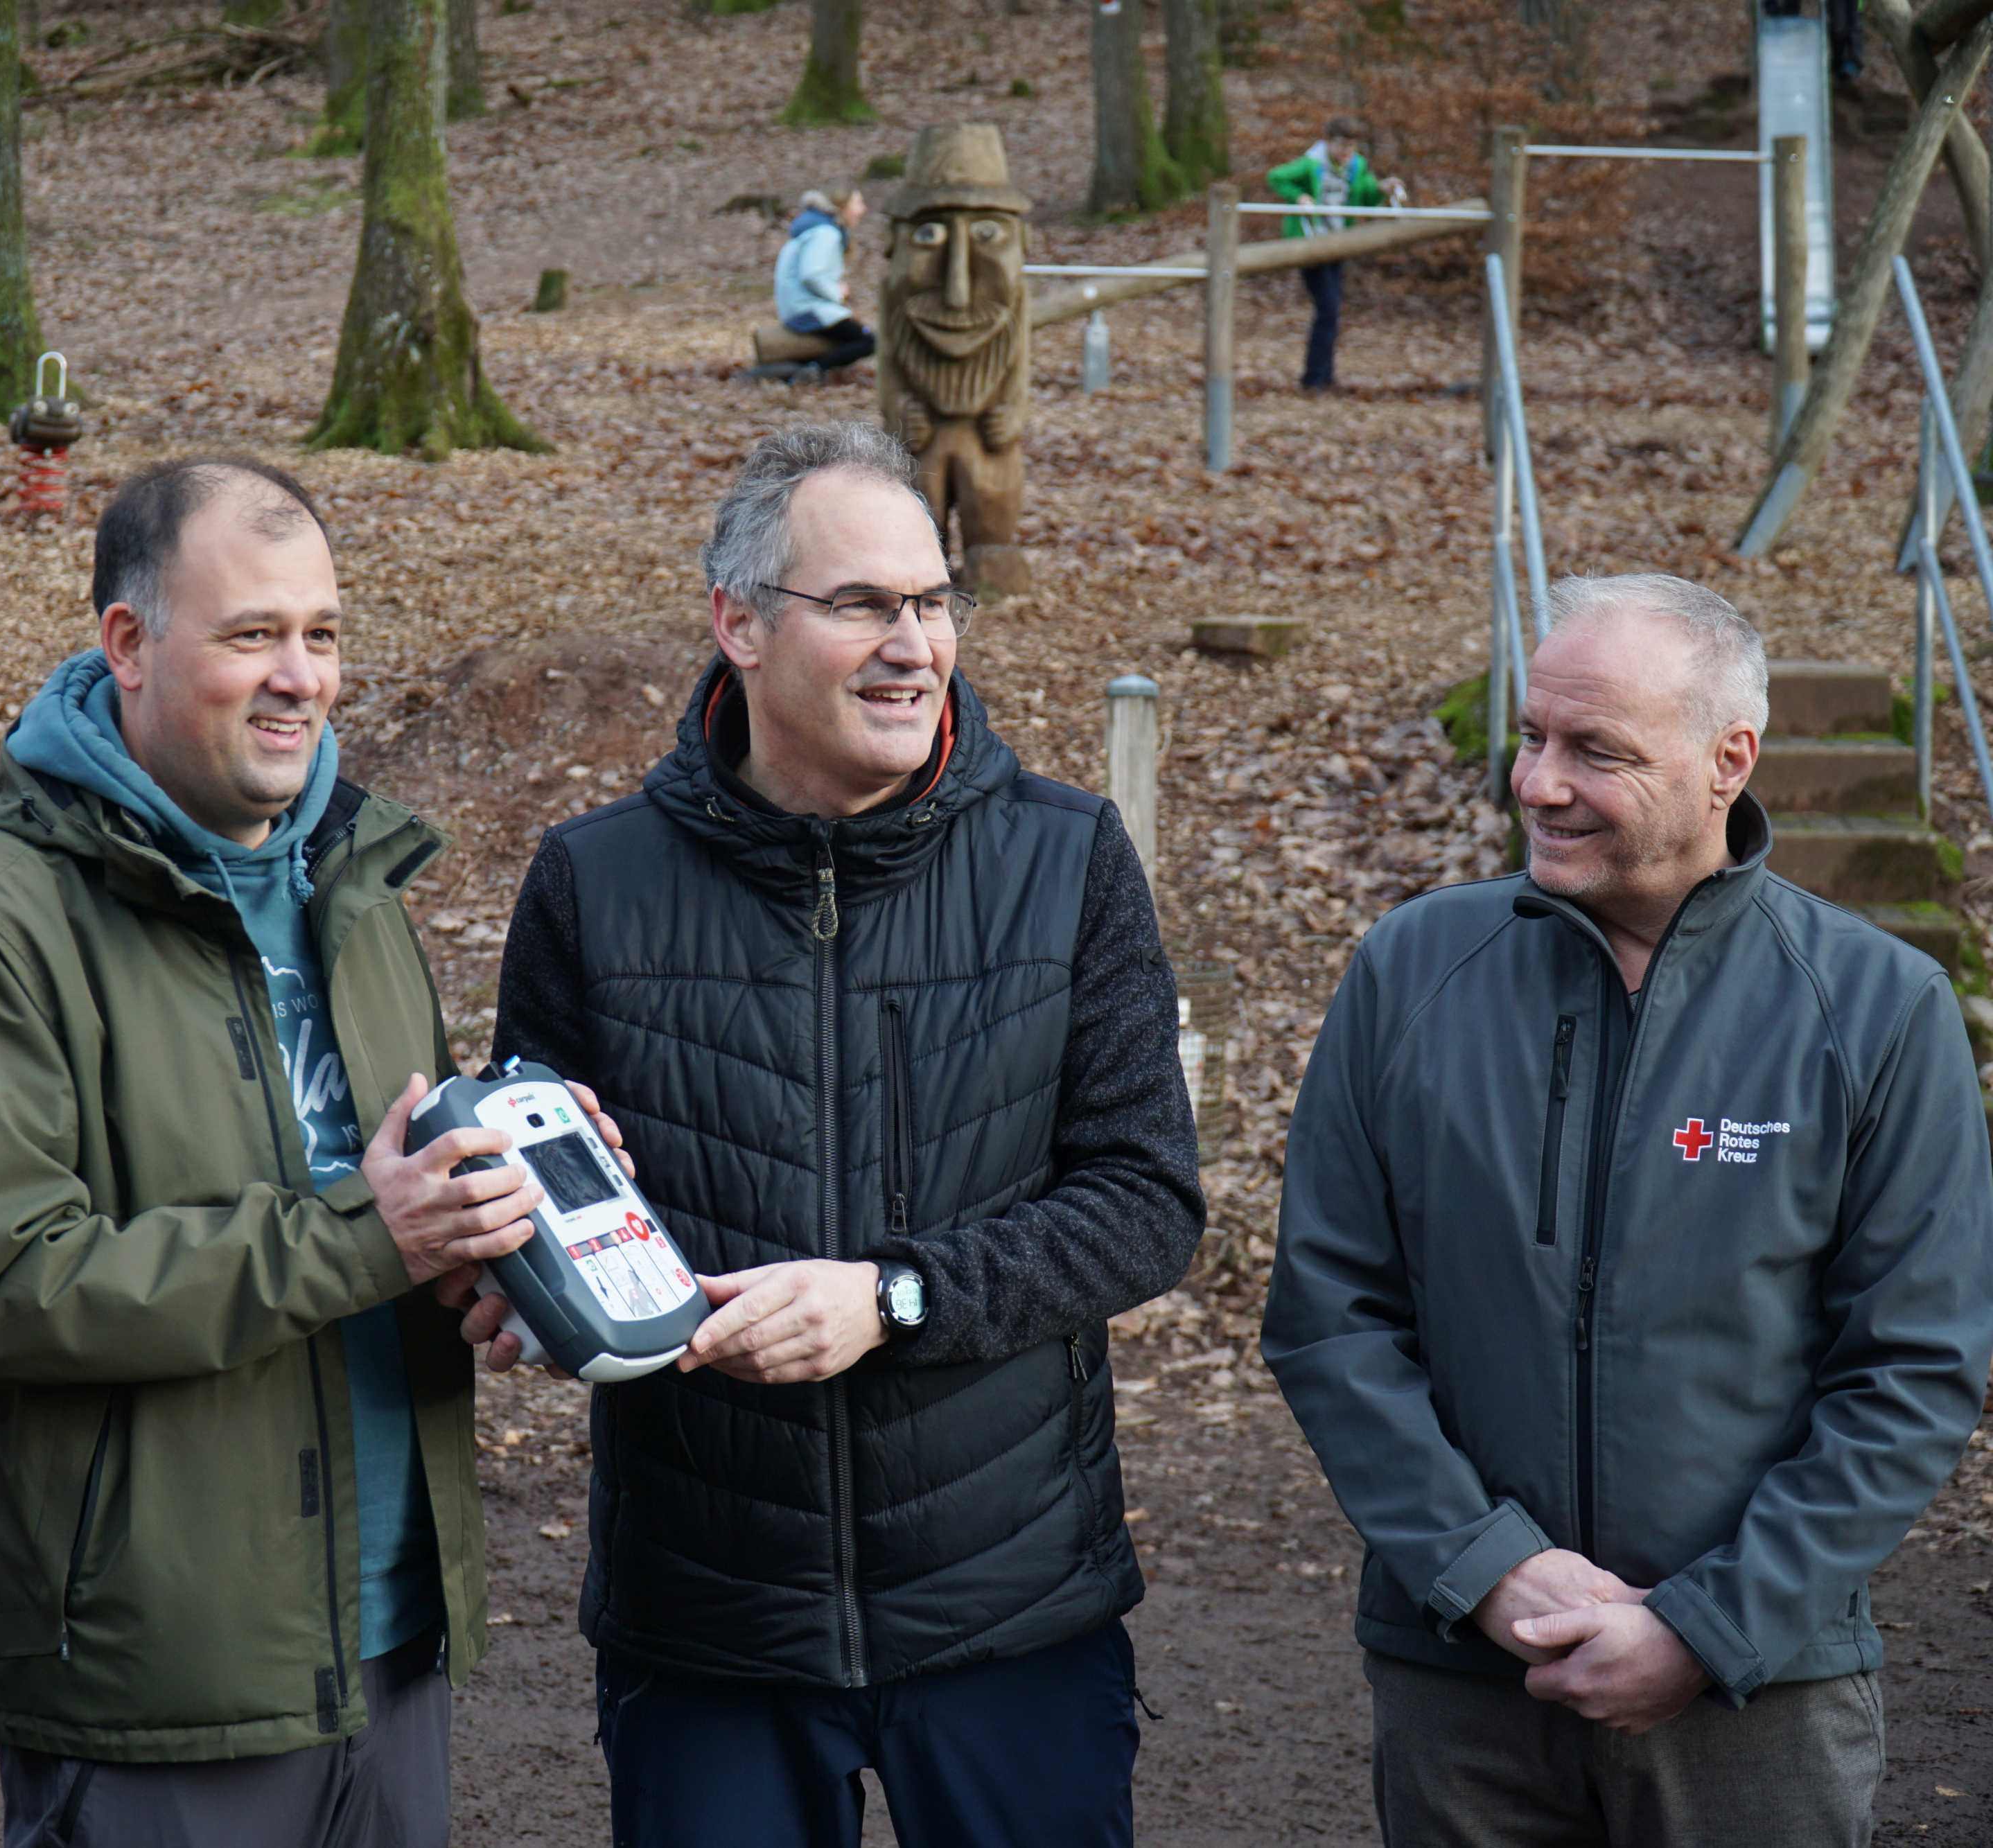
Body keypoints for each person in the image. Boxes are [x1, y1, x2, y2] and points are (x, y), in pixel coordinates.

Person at [482, 421, 1206, 1847]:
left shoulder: (1065, 862)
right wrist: (512, 1286)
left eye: (931, 600)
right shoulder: (591, 879)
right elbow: (542, 1201)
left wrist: (892, 1295)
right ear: (736, 625)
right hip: (706, 1626)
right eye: (863, 603)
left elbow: (1144, 1202)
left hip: (1009, 1616)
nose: (912, 643)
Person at [0, 456, 622, 1848]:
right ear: (127, 643)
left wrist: (504, 1247)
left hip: (389, 1638)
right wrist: (371, 1233)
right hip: (158, 1664)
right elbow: (4, 1284)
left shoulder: (352, 884)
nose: (300, 677)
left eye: (322, 633)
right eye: (251, 636)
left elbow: (389, 1212)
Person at [1263, 574, 1993, 1847]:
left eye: (1596, 751)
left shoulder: (1878, 1009)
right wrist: (1487, 1569)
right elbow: (1332, 1319)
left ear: (1730, 760)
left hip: (1757, 1699)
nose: (1538, 783)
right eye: (1534, 735)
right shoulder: (1410, 972)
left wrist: (1706, 1626)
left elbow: (1915, 1368)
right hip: (1466, 1689)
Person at [1266, 117, 1404, 391]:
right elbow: (1277, 177)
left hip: (1339, 244)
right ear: (1328, 141)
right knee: (1328, 309)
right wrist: (1299, 197)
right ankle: (1314, 379)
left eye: (1351, 146)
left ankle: (1325, 376)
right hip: (1311, 245)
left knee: (1330, 311)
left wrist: (1381, 188)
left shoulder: (1356, 167)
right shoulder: (1312, 164)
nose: (1345, 152)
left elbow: (1364, 197)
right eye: (1341, 145)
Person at [775, 186, 877, 376]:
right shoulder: (826, 234)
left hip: (797, 307)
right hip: (808, 310)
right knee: (869, 342)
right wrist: (837, 292)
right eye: (858, 203)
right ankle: (813, 372)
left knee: (852, 338)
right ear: (842, 207)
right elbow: (812, 275)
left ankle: (804, 369)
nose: (863, 210)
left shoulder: (815, 230)